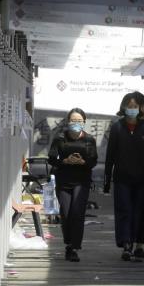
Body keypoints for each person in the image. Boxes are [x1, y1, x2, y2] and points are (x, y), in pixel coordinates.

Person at [104, 92, 144, 261]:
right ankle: (126, 244)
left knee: (139, 212)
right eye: (129, 106)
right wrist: (107, 179)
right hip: (122, 178)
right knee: (124, 210)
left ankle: (137, 242)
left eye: (135, 106)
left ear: (141, 108)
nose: (132, 110)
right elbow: (110, 155)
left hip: (142, 179)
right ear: (124, 107)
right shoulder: (117, 127)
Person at [47, 108, 98, 262]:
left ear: (84, 122)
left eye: (79, 121)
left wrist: (83, 162)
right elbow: (51, 158)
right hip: (63, 180)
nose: (76, 123)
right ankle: (68, 242)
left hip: (82, 181)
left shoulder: (89, 140)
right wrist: (64, 161)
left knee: (77, 213)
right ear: (68, 122)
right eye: (73, 121)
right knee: (66, 212)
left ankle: (74, 247)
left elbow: (93, 160)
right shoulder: (60, 138)